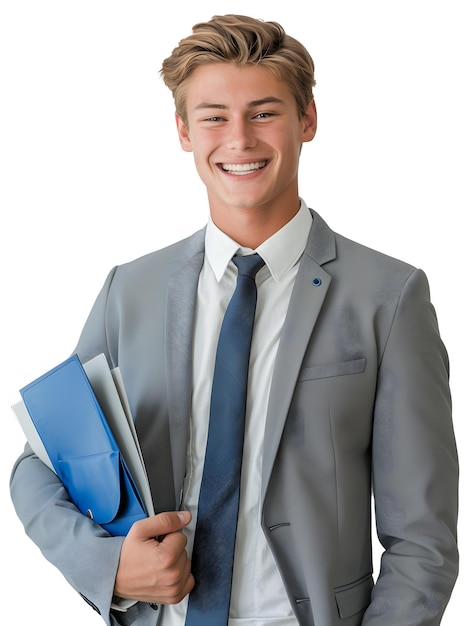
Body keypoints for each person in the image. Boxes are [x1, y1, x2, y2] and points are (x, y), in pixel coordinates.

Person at [10, 13, 458, 626]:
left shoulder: (390, 296)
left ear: (308, 120)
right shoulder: (130, 290)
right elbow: (41, 464)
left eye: (265, 112)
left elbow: (422, 543)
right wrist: (106, 565)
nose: (240, 139)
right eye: (214, 116)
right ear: (184, 132)